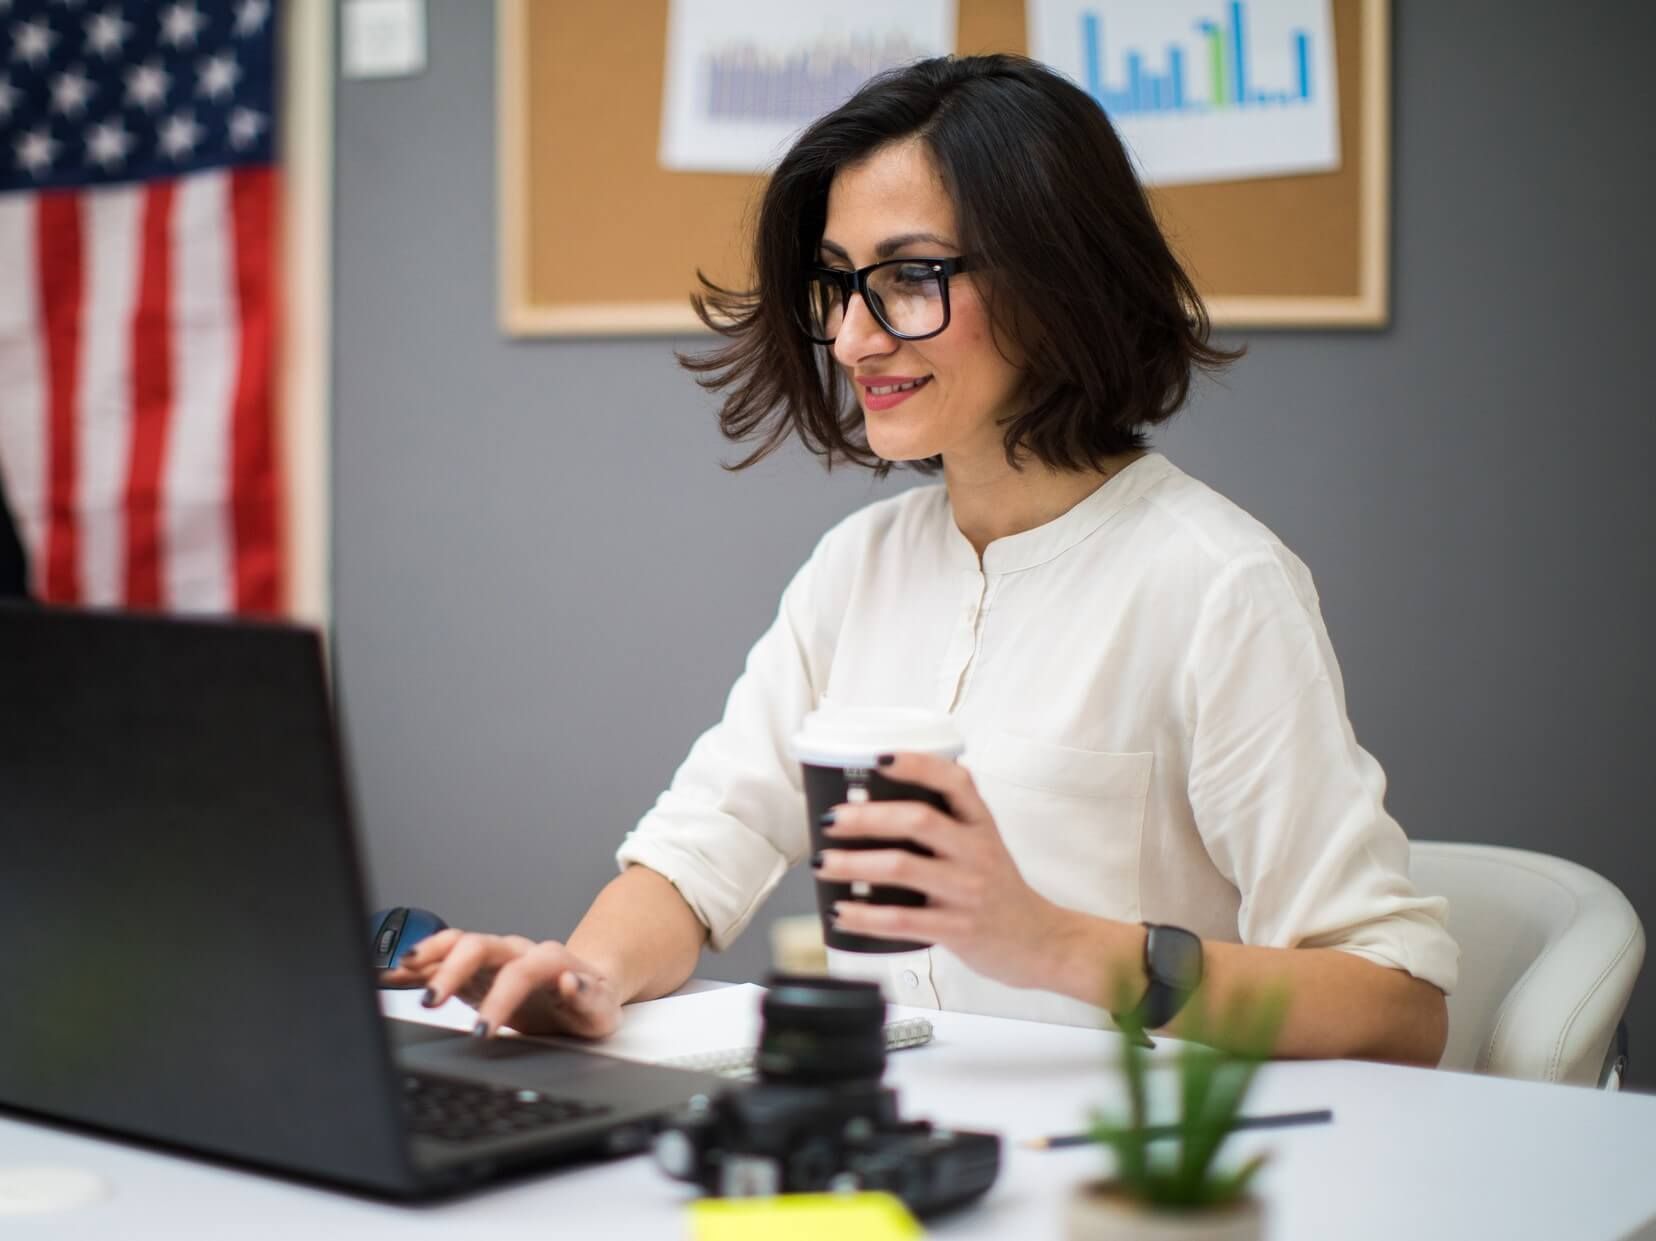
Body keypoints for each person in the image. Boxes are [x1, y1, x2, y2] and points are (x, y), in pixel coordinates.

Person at [388, 55, 1456, 1064]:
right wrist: (583, 977)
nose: (853, 338)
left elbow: (1400, 1004)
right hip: (898, 1152)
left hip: (1117, 1182)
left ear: (1058, 278)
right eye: (840, 285)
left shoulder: (1218, 583)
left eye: (908, 277)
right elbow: (698, 848)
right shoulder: (855, 567)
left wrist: (1053, 941)